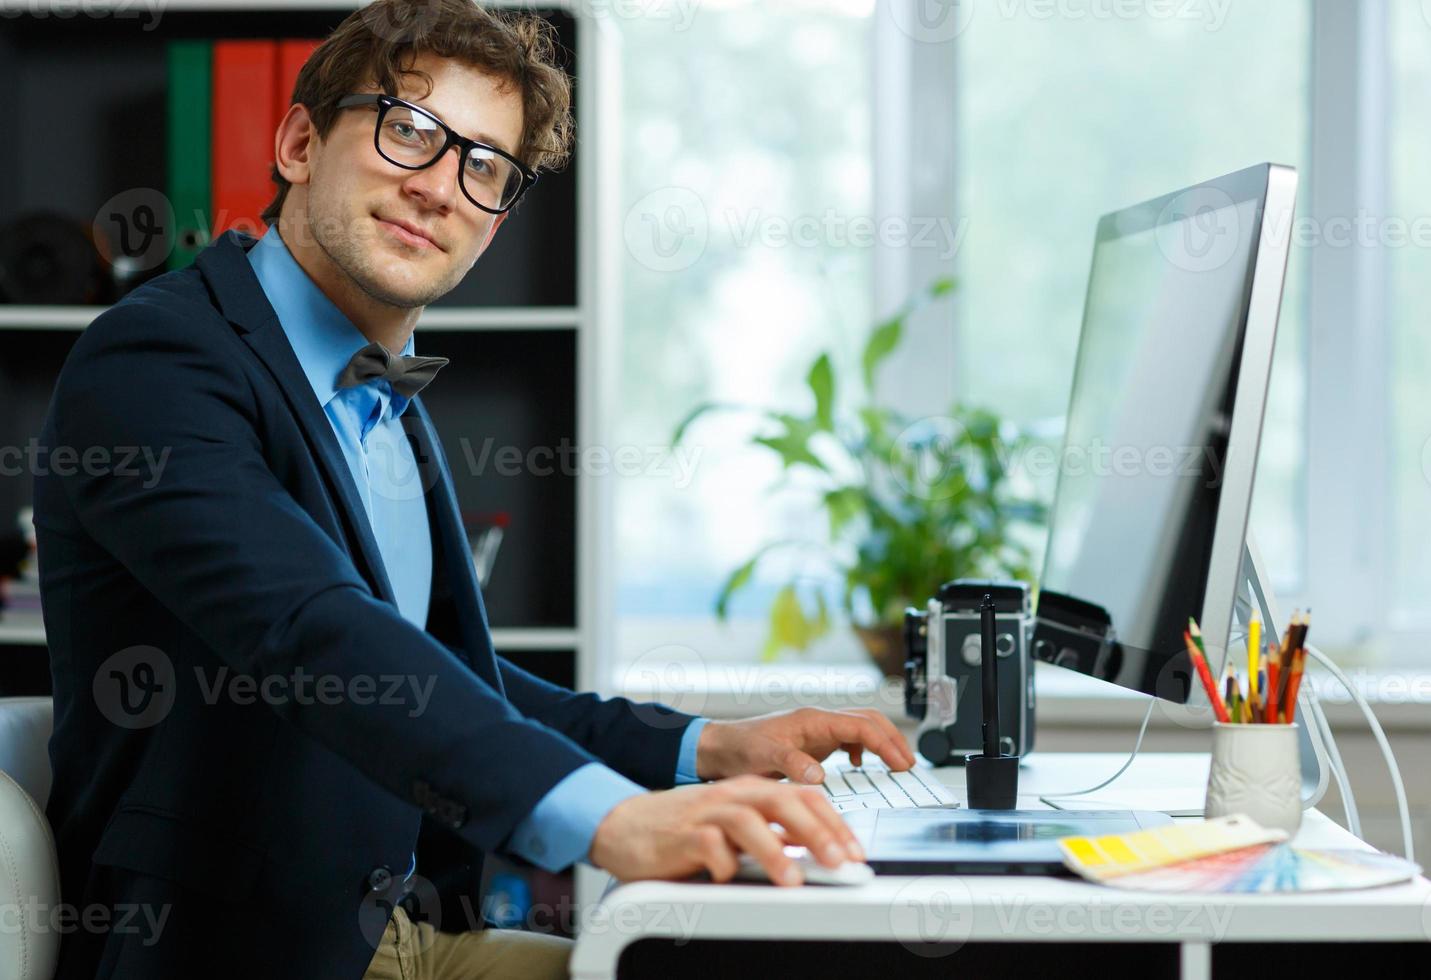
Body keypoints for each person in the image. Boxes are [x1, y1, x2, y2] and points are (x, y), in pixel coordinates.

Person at [32, 3, 915, 978]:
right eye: (409, 129)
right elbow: (306, 627)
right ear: (297, 141)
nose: (440, 188)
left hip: (399, 933)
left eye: (484, 165)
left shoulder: (379, 393)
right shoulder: (154, 360)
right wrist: (610, 818)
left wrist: (702, 747)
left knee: (752, 959)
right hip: (236, 948)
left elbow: (446, 674)